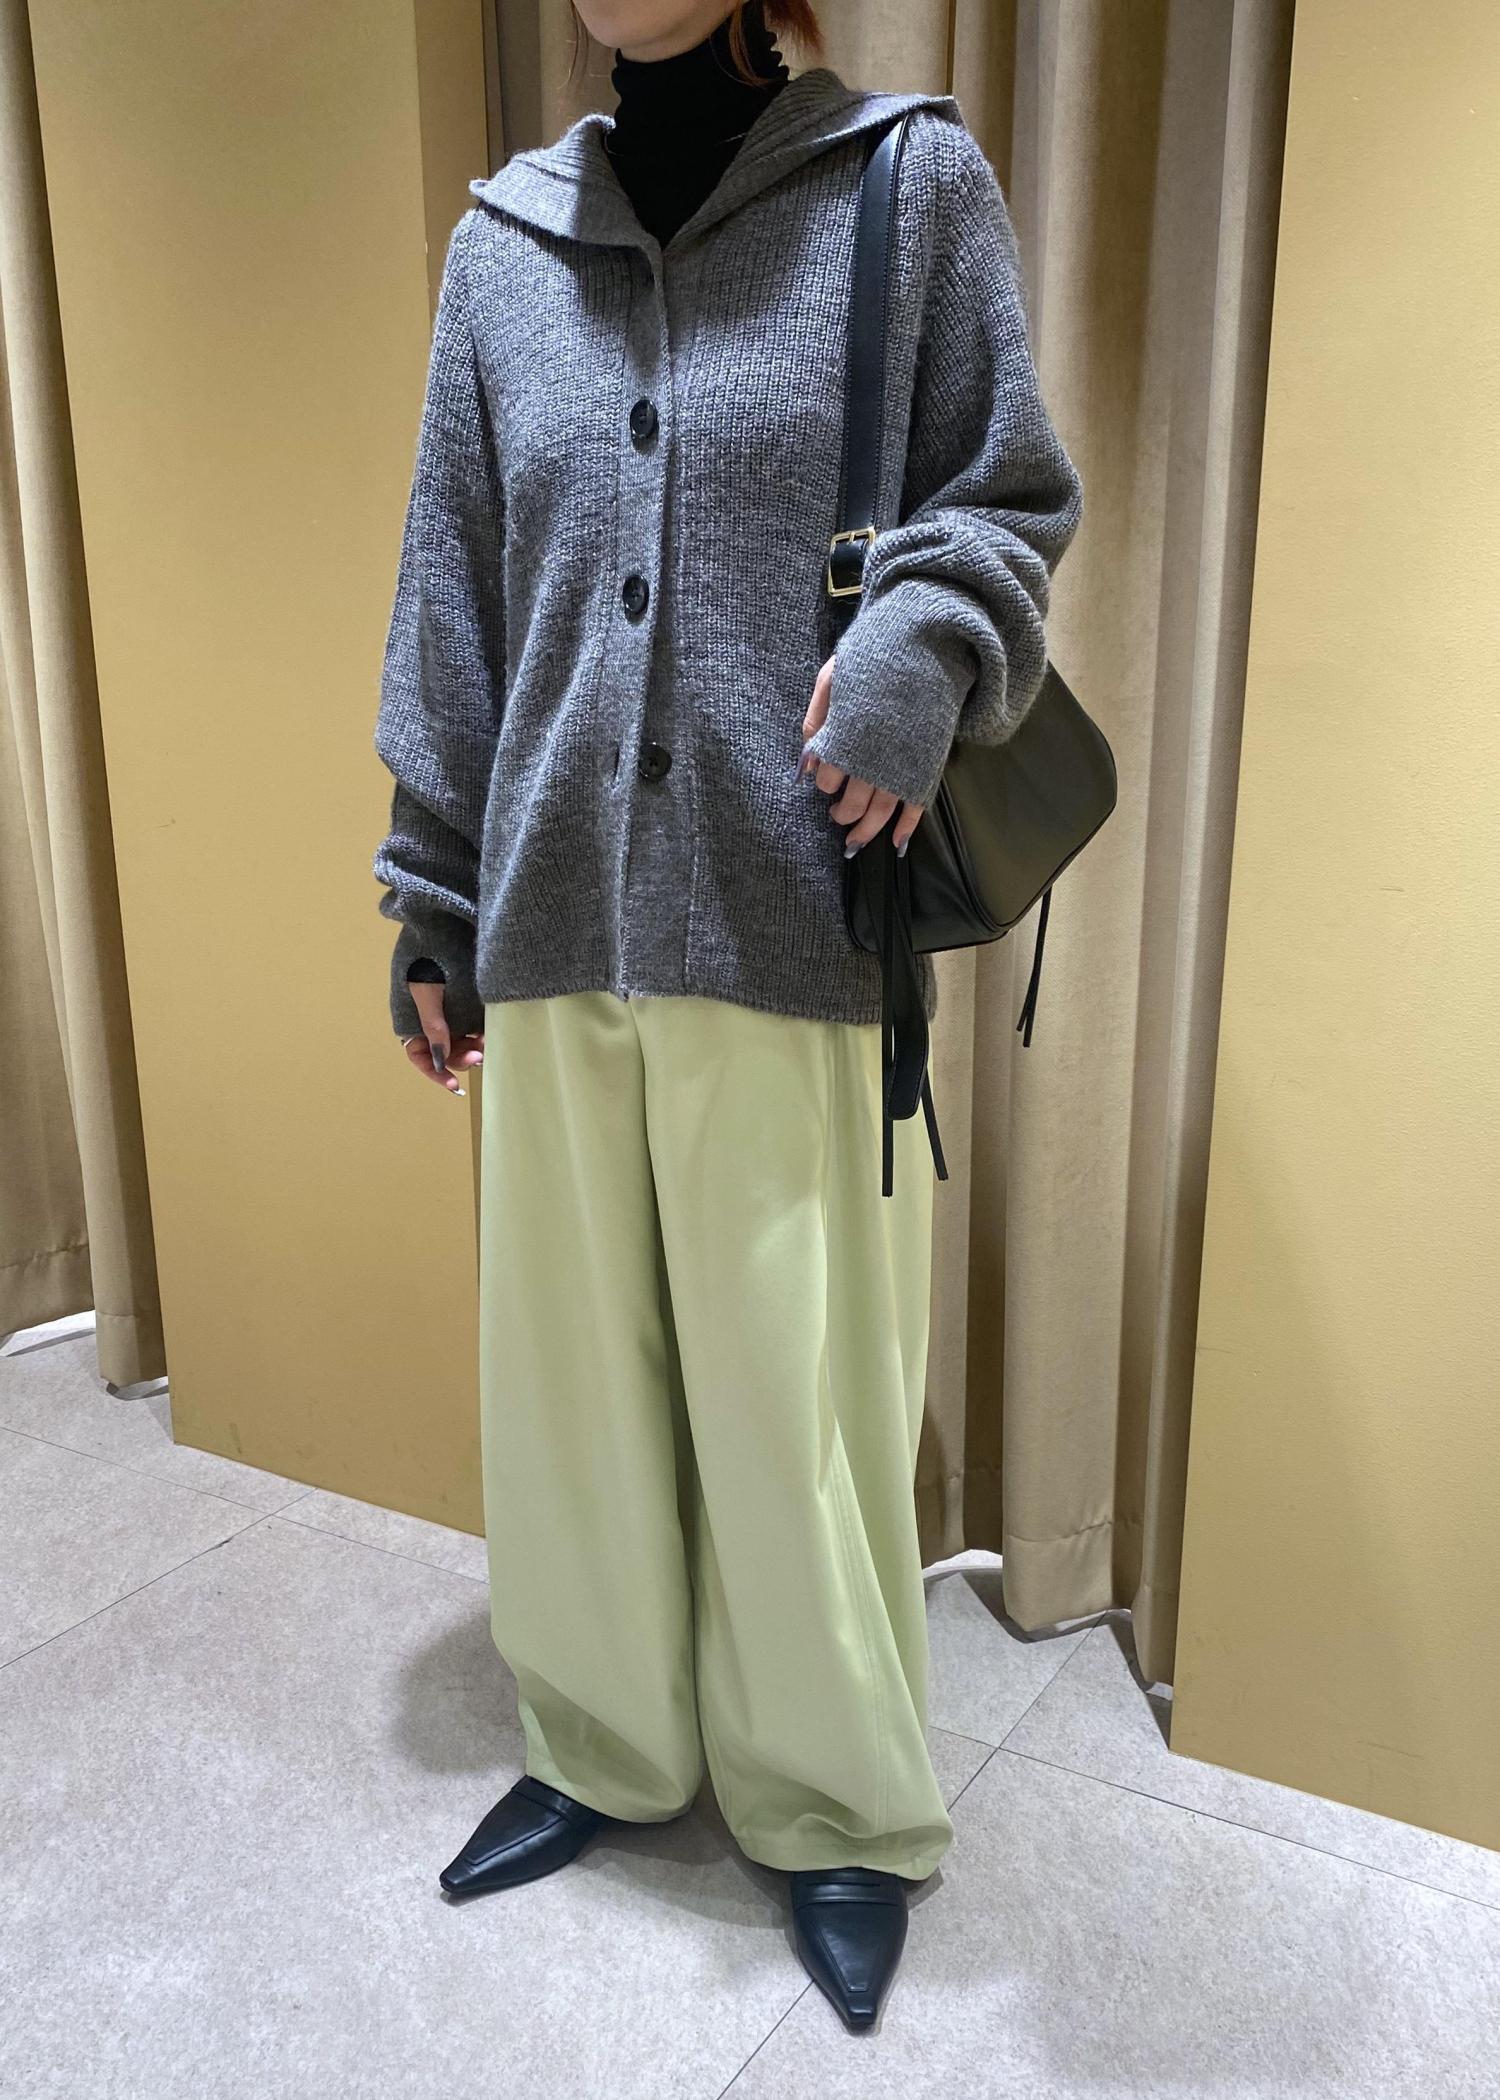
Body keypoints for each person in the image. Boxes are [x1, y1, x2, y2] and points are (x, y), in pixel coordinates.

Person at [371, 0, 1082, 2032]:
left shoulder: (906, 190)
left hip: (788, 917)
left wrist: (922, 649)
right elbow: (456, 595)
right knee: (570, 1390)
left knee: (795, 1401)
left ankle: (837, 1804)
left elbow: (1008, 497)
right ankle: (600, 1742)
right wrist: (431, 891)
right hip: (552, 924)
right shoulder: (503, 248)